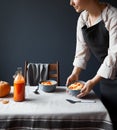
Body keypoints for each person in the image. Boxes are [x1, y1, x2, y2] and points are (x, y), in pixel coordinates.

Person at [66, 0, 117, 129]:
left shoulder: (113, 16)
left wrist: (93, 81)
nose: (71, 3)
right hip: (105, 78)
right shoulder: (83, 19)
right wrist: (75, 73)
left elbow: (113, 55)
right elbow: (81, 52)